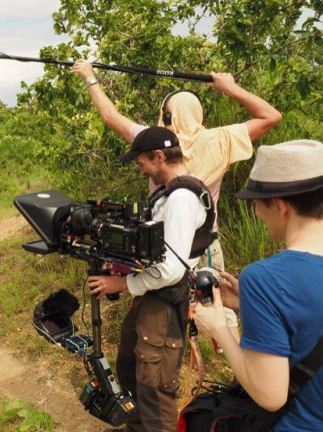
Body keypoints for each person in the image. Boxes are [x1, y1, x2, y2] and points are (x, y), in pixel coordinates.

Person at [71, 59, 282, 337]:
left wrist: (90, 77)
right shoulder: (222, 139)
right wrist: (231, 88)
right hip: (205, 244)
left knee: (163, 304)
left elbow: (111, 117)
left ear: (167, 116)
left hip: (161, 244)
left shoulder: (154, 141)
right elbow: (270, 116)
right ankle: (228, 352)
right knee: (217, 307)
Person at [87, 127, 213, 432]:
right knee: (131, 365)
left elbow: (171, 269)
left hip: (166, 297)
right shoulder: (170, 193)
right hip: (153, 293)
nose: (139, 167)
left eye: (141, 161)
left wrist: (122, 285)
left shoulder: (182, 198)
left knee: (155, 383)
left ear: (159, 156)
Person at [194, 140, 323, 430]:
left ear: (280, 205)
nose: (258, 215)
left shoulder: (265, 279)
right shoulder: (268, 288)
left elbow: (270, 395)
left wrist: (219, 327)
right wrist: (253, 307)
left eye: (256, 204)